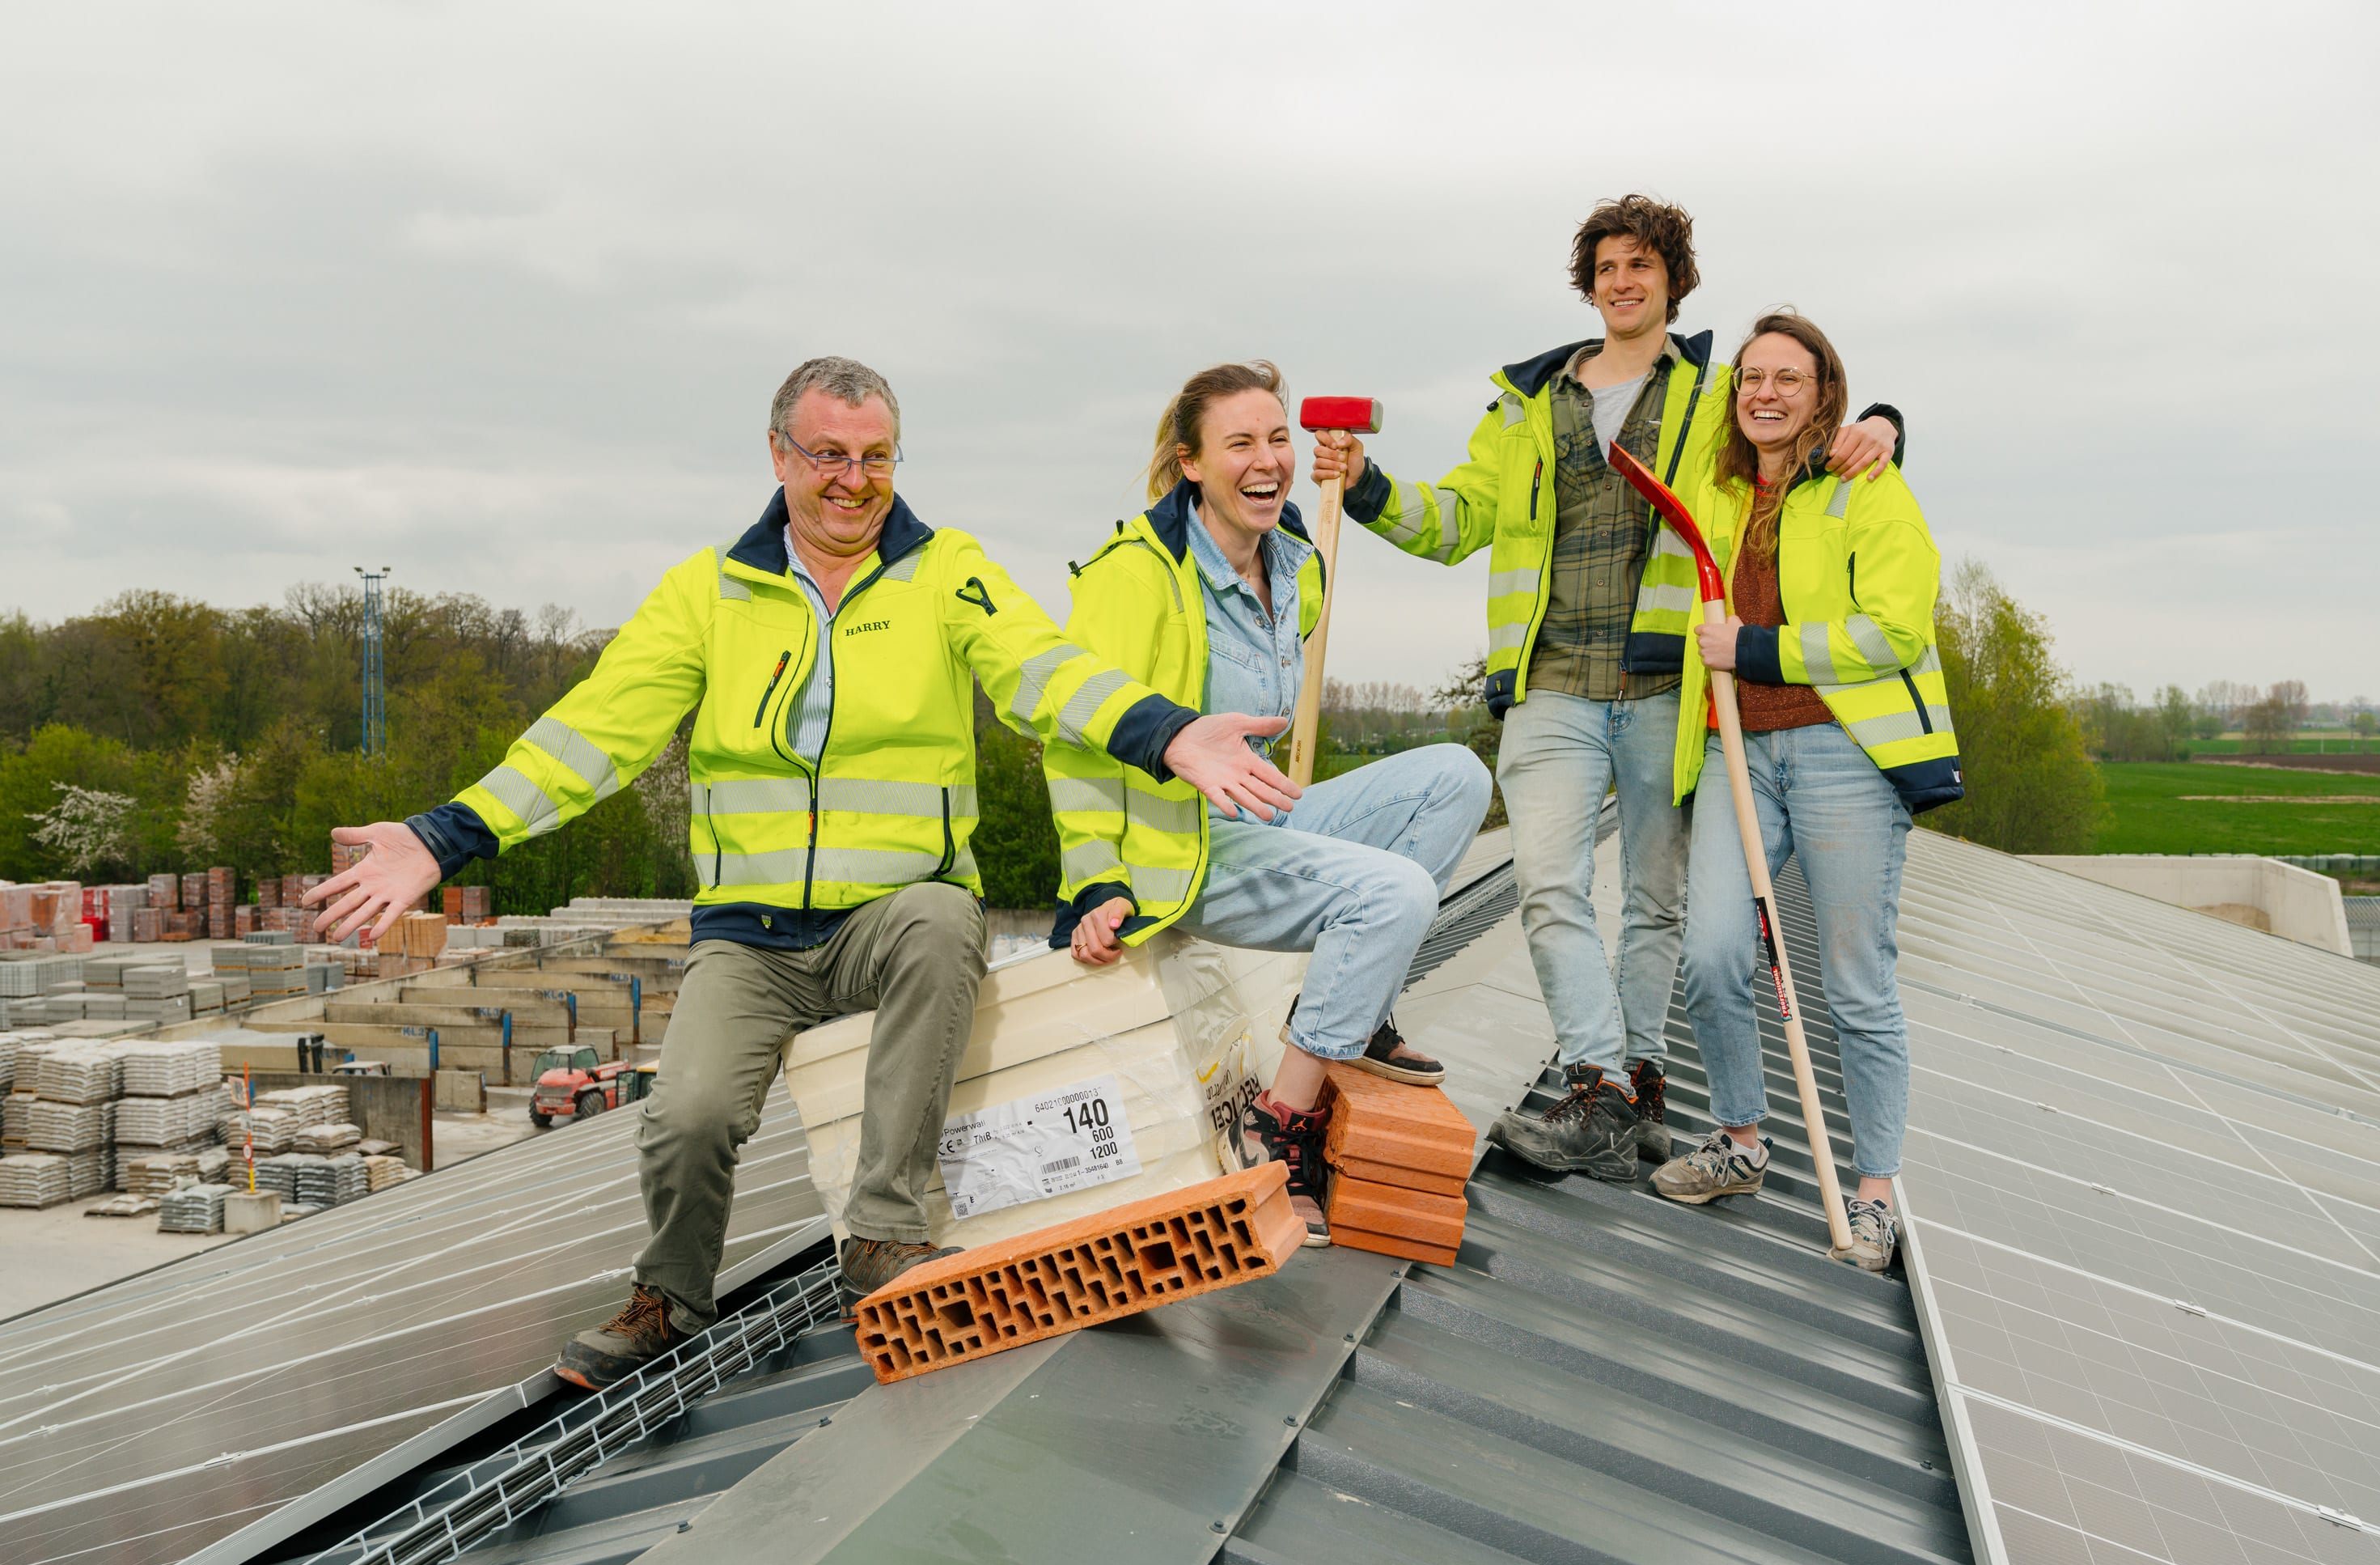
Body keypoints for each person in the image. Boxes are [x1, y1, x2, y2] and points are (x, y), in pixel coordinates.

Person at [305, 357, 1303, 1387]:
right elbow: (590, 735)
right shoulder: (712, 592)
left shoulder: (944, 573)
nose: (852, 479)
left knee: (942, 922)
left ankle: (881, 1236)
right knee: (688, 1117)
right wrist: (443, 835)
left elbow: (1048, 672)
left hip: (892, 916)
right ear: (779, 453)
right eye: (828, 454)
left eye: (875, 457)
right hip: (752, 934)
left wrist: (1168, 734)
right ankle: (669, 1297)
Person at [1313, 194, 1907, 1181]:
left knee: (1655, 901)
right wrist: (1368, 485)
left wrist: (1884, 422)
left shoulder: (1715, 394)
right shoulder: (1526, 403)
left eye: (1644, 265)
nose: (1624, 282)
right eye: (1608, 267)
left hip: (1666, 683)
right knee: (1546, 881)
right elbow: (1456, 520)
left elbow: (1793, 431)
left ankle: (1641, 1078)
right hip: (1550, 680)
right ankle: (1598, 1081)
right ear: (1588, 284)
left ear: (1675, 281)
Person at [1047, 362, 1494, 1243]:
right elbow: (1075, 735)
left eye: (1278, 438)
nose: (1268, 459)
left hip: (1265, 817)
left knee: (1457, 777)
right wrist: (1095, 883)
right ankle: (1276, 1133)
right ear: (1189, 464)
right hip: (1182, 847)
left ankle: (1351, 1017)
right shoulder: (1134, 575)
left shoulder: (1296, 564)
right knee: (1395, 893)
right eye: (1240, 443)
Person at [1645, 312, 1963, 1272]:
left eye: (1790, 378)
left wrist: (1758, 648)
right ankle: (1740, 1139)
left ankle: (1873, 1194)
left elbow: (1896, 629)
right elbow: (1677, 393)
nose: (1765, 393)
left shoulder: (1867, 483)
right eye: (1752, 378)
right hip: (1737, 751)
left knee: (1857, 983)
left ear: (1824, 393)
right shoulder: (1719, 481)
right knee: (1708, 955)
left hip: (1843, 757)